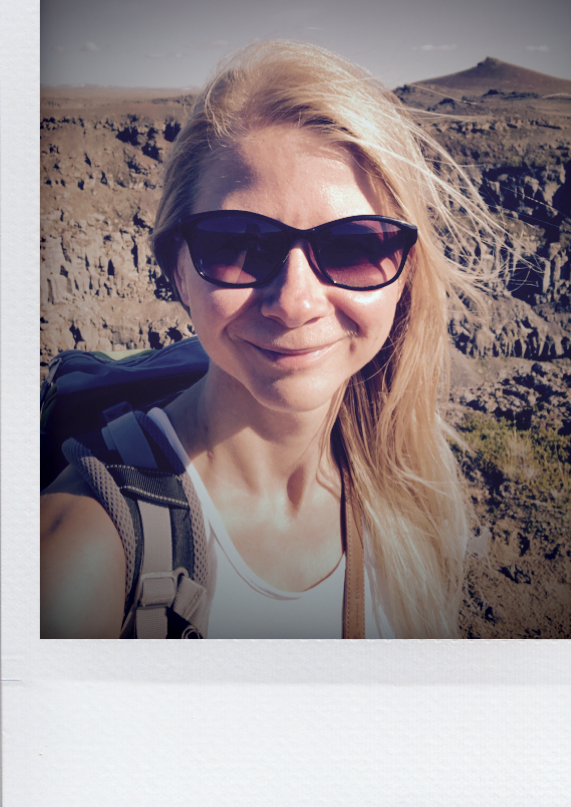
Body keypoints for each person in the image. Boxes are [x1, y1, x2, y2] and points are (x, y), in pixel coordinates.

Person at [41, 40, 497, 639]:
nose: (295, 302)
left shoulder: (417, 496)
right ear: (177, 268)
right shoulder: (85, 549)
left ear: (405, 273)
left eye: (354, 246)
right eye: (237, 244)